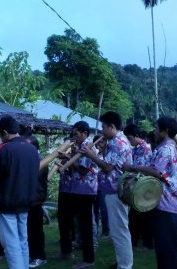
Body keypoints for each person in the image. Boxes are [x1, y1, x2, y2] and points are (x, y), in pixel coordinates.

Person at [123, 116, 177, 269]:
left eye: (156, 129)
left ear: (165, 131)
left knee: (165, 246)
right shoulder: (167, 147)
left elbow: (156, 171)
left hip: (166, 202)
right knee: (166, 246)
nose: (154, 132)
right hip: (165, 201)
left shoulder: (165, 149)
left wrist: (133, 167)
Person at [81, 111, 133, 269]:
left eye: (103, 127)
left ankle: (125, 265)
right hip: (113, 190)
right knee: (118, 229)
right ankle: (122, 261)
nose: (102, 131)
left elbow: (108, 167)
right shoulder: (114, 141)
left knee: (119, 230)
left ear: (112, 126)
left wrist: (91, 155)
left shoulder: (118, 142)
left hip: (117, 191)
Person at [0, 115, 39, 269]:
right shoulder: (31, 149)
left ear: (4, 132)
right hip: (26, 201)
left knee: (11, 244)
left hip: (7, 202)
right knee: (23, 240)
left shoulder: (4, 149)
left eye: (0, 134)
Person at [57, 121, 98, 269]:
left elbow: (83, 170)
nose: (73, 137)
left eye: (76, 134)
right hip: (72, 190)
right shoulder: (76, 147)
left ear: (85, 134)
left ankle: (88, 259)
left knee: (85, 226)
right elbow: (72, 170)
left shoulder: (88, 147)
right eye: (72, 134)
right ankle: (66, 251)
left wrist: (67, 159)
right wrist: (64, 163)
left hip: (85, 191)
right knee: (65, 220)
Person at [123, 124, 153, 249]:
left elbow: (145, 169)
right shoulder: (135, 149)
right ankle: (133, 241)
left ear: (136, 136)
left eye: (130, 138)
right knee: (135, 216)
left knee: (144, 216)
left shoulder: (146, 148)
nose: (129, 141)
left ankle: (147, 243)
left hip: (144, 186)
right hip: (135, 186)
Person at [24, 135, 48, 268]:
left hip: (36, 200)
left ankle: (40, 256)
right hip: (29, 200)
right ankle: (33, 255)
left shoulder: (40, 161)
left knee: (36, 230)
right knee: (29, 230)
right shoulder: (31, 160)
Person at [92, 135, 110, 239]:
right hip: (93, 186)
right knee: (94, 210)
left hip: (103, 186)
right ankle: (95, 231)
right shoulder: (93, 154)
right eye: (99, 142)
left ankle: (106, 231)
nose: (100, 144)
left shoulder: (107, 155)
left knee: (104, 209)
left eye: (103, 142)